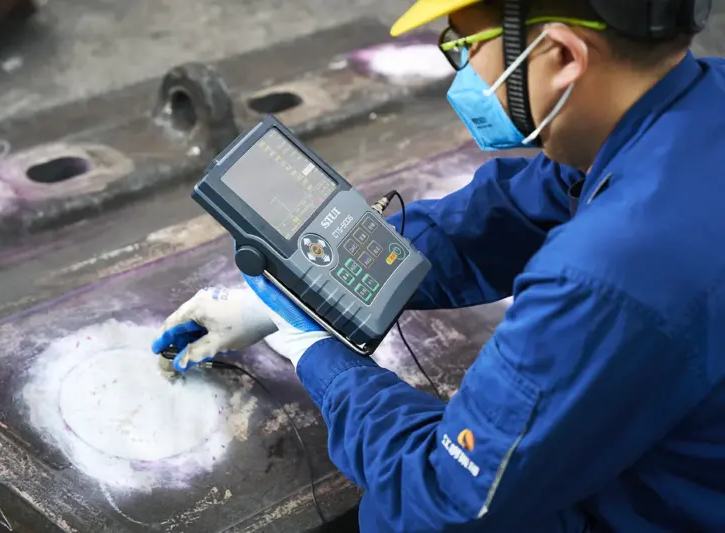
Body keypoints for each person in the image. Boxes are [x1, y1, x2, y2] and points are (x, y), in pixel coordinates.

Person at [152, 0, 725, 531]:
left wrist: (316, 354)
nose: (463, 71)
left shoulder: (606, 274)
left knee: (390, 512)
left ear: (563, 56)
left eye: (464, 46)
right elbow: (509, 214)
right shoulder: (693, 107)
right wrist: (298, 289)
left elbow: (441, 495)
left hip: (665, 508)